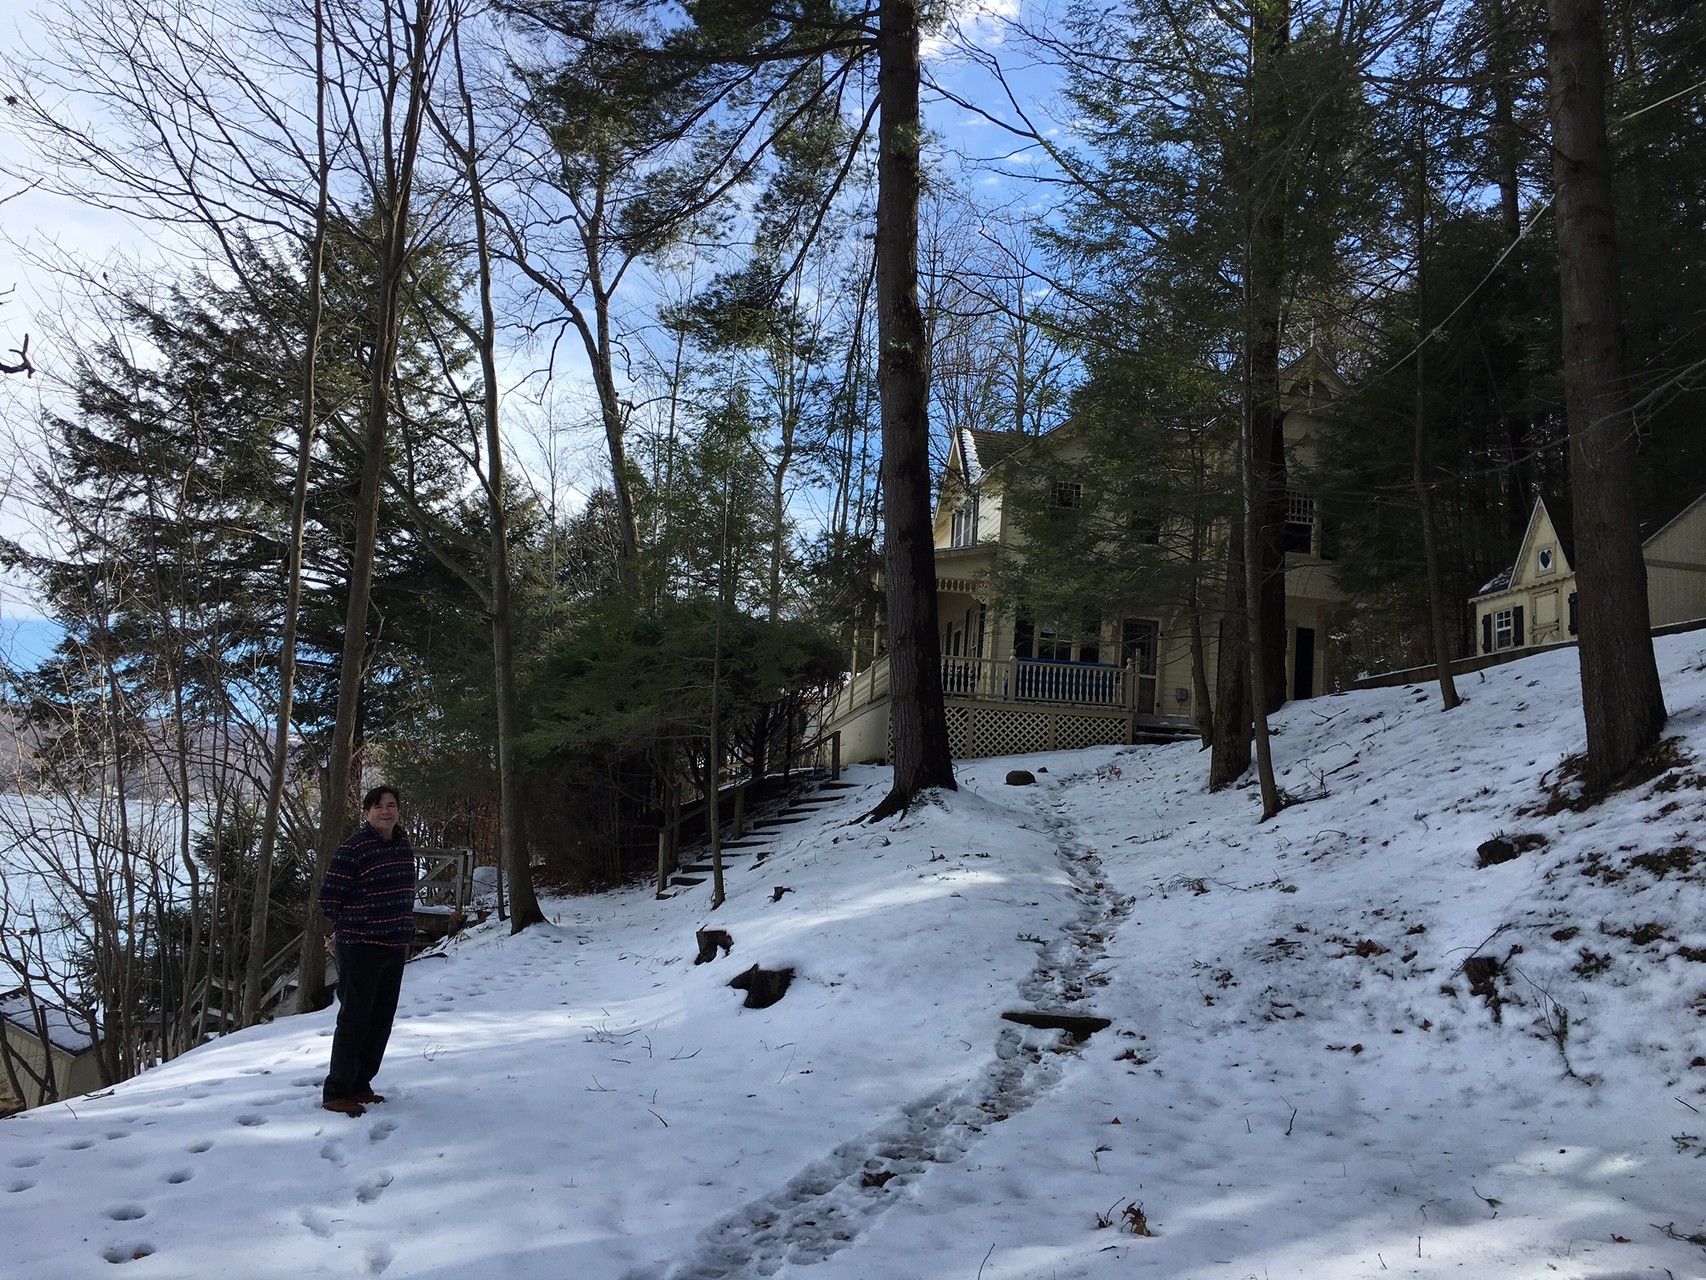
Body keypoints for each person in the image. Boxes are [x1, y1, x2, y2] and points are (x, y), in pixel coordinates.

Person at [318, 785, 416, 1117]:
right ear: (366, 813)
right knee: (354, 1020)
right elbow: (329, 897)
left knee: (380, 1021)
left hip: (394, 945)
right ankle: (336, 1091)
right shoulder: (354, 848)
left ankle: (361, 1085)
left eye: (391, 805)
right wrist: (347, 927)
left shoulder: (402, 844)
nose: (385, 811)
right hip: (360, 946)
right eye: (378, 807)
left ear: (398, 811)